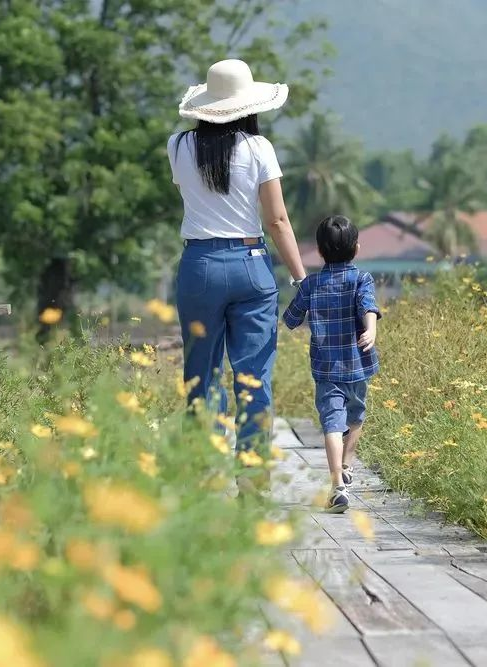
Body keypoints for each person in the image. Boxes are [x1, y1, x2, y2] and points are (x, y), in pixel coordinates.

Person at [168, 59, 306, 480]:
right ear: (249, 106)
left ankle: (205, 473)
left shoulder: (177, 146)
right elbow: (277, 221)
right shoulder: (259, 149)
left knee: (202, 374)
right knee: (253, 376)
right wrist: (301, 277)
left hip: (200, 265)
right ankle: (251, 477)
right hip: (250, 267)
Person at [283, 216, 381, 514]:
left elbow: (290, 320)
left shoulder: (311, 284)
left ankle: (338, 484)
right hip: (359, 364)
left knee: (331, 423)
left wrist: (300, 291)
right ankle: (348, 463)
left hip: (326, 368)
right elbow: (368, 306)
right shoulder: (361, 279)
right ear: (357, 248)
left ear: (320, 252)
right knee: (357, 414)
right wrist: (371, 330)